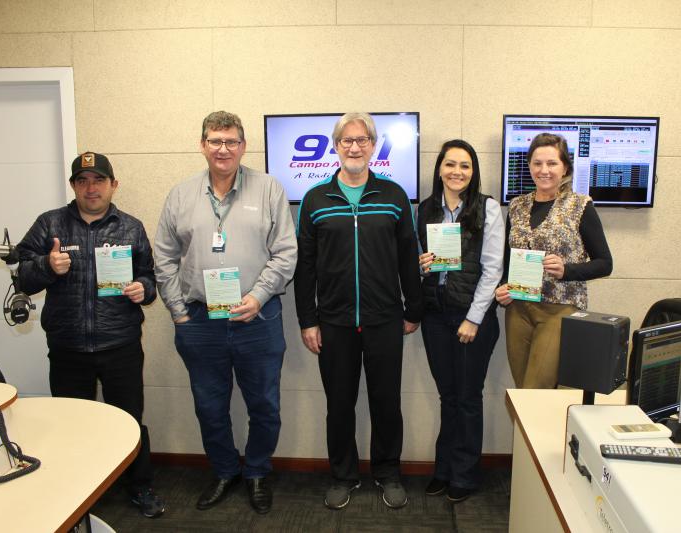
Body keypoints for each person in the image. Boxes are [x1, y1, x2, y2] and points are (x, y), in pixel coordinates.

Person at [154, 111, 297, 515]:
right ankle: (222, 470)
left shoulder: (269, 189)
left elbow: (286, 253)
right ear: (202, 145)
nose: (223, 149)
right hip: (200, 322)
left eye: (231, 141)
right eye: (215, 141)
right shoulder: (181, 195)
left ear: (243, 146)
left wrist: (258, 296)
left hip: (259, 320)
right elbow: (163, 256)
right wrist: (179, 312)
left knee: (264, 406)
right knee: (209, 406)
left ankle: (255, 472)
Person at [16, 152, 164, 518]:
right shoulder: (49, 224)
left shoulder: (130, 227)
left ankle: (139, 485)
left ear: (113, 185)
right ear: (73, 186)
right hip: (68, 347)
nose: (91, 188)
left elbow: (150, 277)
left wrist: (142, 289)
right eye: (82, 181)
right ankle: (74, 490)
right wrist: (46, 266)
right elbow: (21, 276)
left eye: (99, 180)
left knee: (129, 419)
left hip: (120, 344)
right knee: (71, 423)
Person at [294, 112, 423, 510]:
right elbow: (305, 268)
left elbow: (408, 257)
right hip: (333, 323)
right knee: (339, 404)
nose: (354, 147)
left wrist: (413, 309)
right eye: (346, 141)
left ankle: (388, 473)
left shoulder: (394, 196)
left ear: (372, 146)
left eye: (362, 140)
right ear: (336, 147)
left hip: (385, 318)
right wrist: (307, 320)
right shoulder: (315, 199)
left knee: (387, 403)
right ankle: (343, 475)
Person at [416, 139, 504, 503]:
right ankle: (443, 469)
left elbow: (493, 269)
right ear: (439, 168)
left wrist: (473, 318)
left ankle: (464, 475)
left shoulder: (488, 209)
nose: (457, 172)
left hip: (473, 319)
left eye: (465, 166)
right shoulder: (425, 210)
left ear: (473, 172)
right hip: (436, 315)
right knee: (448, 396)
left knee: (468, 398)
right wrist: (420, 265)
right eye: (450, 164)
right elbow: (419, 260)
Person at [495, 133, 612, 389]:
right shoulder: (516, 206)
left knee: (536, 388)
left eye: (552, 163)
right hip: (518, 309)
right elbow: (508, 259)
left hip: (559, 309)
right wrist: (503, 286)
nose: (544, 170)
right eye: (537, 163)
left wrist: (566, 270)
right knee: (522, 391)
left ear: (565, 168)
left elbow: (605, 263)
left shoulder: (580, 206)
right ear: (529, 166)